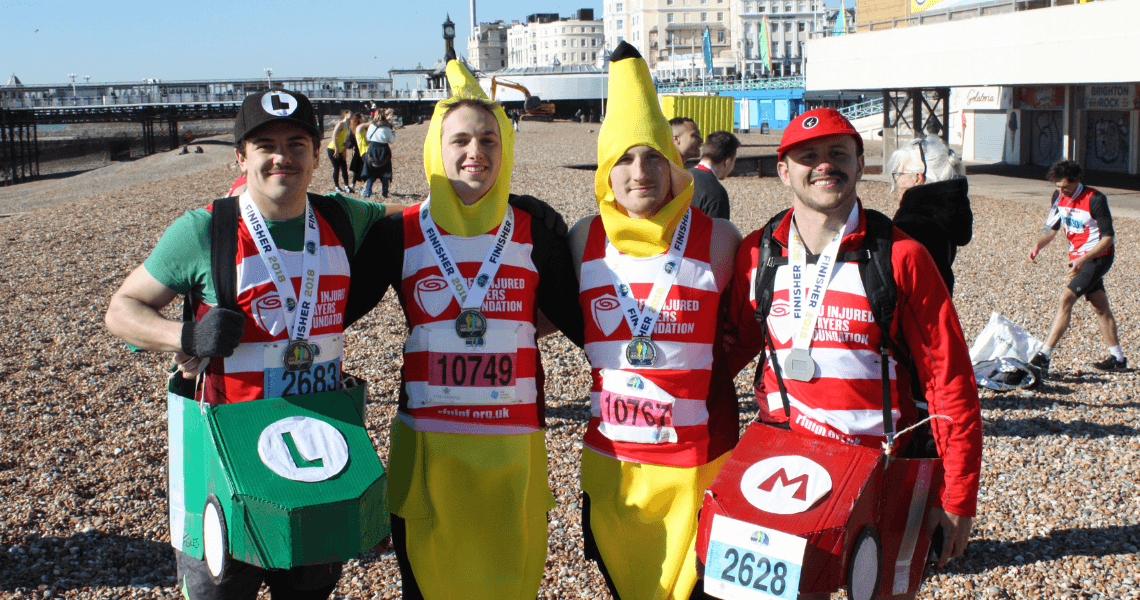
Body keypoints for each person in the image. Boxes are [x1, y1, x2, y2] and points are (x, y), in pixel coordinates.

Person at [104, 90, 398, 600]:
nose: (282, 156)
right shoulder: (204, 229)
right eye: (265, 144)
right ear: (242, 157)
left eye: (296, 143)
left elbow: (424, 216)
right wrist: (187, 335)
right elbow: (121, 310)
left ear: (315, 155)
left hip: (319, 447)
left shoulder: (344, 217)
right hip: (224, 453)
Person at [340, 58, 585, 600]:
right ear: (436, 149)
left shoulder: (535, 233)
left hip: (512, 453)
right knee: (426, 586)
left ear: (506, 150)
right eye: (461, 141)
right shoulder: (398, 233)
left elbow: (591, 328)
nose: (476, 152)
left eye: (489, 140)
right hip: (429, 452)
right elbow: (330, 311)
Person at [725, 108, 983, 600]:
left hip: (881, 470)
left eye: (838, 153)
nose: (825, 165)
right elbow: (729, 350)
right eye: (808, 156)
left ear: (861, 162)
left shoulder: (901, 256)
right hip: (784, 463)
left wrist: (957, 497)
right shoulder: (758, 253)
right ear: (784, 170)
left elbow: (950, 383)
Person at [568, 42, 741, 600]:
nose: (639, 173)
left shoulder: (721, 240)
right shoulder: (579, 239)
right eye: (622, 158)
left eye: (653, 158)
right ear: (604, 170)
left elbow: (747, 332)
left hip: (697, 461)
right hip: (614, 461)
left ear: (676, 165)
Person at [1029, 159, 1127, 374]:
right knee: (1100, 307)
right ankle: (1118, 359)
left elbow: (1108, 238)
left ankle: (1044, 356)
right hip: (1079, 258)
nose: (1061, 191)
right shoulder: (1058, 196)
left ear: (1077, 180)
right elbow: (1051, 227)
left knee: (1066, 298)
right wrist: (1038, 245)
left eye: (1065, 186)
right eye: (1057, 186)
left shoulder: (1095, 199)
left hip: (1097, 257)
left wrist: (1083, 259)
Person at [886, 134, 972, 293]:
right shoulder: (944, 213)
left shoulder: (913, 223)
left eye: (899, 174)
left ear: (918, 178)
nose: (896, 181)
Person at [689, 130, 740, 220]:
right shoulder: (717, 193)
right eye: (734, 162)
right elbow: (718, 233)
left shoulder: (682, 176)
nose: (732, 168)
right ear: (727, 162)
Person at [361, 110, 395, 199]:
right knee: (385, 171)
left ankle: (367, 191)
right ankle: (384, 193)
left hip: (372, 149)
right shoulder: (387, 128)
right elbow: (392, 140)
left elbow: (368, 137)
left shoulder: (371, 126)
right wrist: (393, 132)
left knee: (370, 171)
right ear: (384, 116)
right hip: (383, 150)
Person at [327, 109, 353, 193]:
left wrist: (345, 151)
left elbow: (347, 140)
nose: (352, 115)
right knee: (336, 168)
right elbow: (334, 135)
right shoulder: (341, 123)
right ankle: (337, 186)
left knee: (344, 168)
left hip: (341, 149)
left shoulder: (348, 125)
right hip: (333, 148)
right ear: (346, 114)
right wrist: (336, 149)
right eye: (350, 113)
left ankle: (346, 186)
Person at [346, 112, 367, 191]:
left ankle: (353, 185)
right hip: (362, 150)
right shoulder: (361, 128)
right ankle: (365, 186)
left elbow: (351, 140)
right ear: (359, 119)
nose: (363, 118)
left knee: (356, 169)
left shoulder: (353, 129)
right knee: (363, 168)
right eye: (362, 117)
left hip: (357, 151)